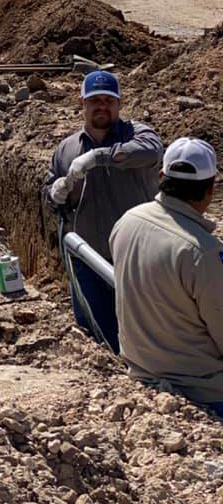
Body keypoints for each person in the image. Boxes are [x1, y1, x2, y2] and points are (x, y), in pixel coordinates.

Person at [42, 70, 163, 352]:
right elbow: (48, 195)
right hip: (87, 258)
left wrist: (100, 157)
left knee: (143, 334)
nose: (102, 106)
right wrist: (54, 192)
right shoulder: (66, 149)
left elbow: (151, 152)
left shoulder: (137, 134)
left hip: (136, 257)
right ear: (82, 103)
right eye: (94, 100)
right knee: (97, 336)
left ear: (119, 104)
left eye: (109, 100)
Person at [110, 138, 223, 414]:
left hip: (141, 372)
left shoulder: (127, 221)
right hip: (202, 391)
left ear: (161, 177)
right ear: (210, 188)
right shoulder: (202, 252)